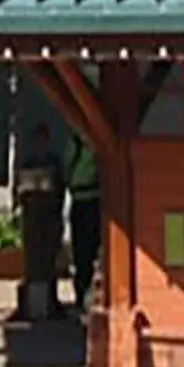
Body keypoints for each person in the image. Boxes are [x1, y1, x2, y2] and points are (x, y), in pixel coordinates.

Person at [65, 126, 103, 313]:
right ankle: (83, 295)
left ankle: (86, 295)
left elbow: (67, 170)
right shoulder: (80, 143)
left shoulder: (79, 142)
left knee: (86, 251)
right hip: (85, 200)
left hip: (89, 200)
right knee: (83, 253)